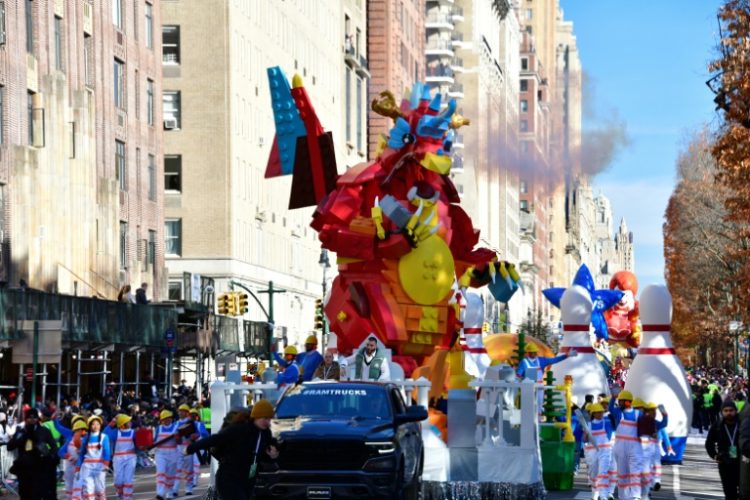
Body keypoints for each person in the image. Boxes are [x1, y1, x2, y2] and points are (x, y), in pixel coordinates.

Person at [187, 399, 279, 500]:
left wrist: (272, 456)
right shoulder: (239, 429)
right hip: (229, 478)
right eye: (264, 418)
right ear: (256, 416)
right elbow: (215, 439)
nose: (267, 422)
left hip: (248, 479)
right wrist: (191, 448)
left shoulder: (265, 433)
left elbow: (260, 455)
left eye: (269, 419)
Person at [8, 408, 59, 499]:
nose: (32, 420)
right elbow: (10, 446)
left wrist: (47, 455)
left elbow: (54, 447)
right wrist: (20, 438)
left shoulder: (43, 431)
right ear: (26, 419)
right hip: (24, 468)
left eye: (34, 417)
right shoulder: (21, 431)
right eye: (29, 417)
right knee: (24, 494)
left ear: (37, 419)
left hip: (39, 467)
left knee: (37, 494)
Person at [609, 390, 644, 500]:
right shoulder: (618, 413)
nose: (619, 404)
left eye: (621, 401)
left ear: (628, 402)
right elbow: (610, 408)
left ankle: (635, 496)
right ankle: (623, 497)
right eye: (619, 401)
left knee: (634, 472)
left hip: (635, 447)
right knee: (622, 475)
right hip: (620, 448)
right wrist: (613, 397)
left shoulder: (639, 414)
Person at [707, 400, 740, 500]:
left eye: (731, 410)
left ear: (736, 411)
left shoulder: (742, 424)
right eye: (726, 411)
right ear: (722, 412)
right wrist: (715, 455)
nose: (729, 413)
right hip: (725, 463)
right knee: (729, 493)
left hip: (742, 463)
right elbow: (709, 442)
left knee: (745, 492)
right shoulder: (717, 426)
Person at [77, 415, 112, 500]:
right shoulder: (86, 438)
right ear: (90, 426)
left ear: (100, 425)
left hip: (100, 467)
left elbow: (107, 452)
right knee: (88, 491)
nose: (96, 426)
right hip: (87, 467)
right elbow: (81, 454)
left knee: (100, 490)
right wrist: (78, 468)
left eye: (97, 424)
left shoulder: (104, 437)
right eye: (93, 424)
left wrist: (106, 464)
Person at [583, 403, 613, 500]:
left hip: (604, 451)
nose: (600, 414)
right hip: (592, 453)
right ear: (593, 414)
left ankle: (603, 495)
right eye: (598, 412)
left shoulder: (607, 422)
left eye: (601, 412)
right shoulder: (588, 425)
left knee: (602, 473)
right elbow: (585, 440)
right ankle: (594, 494)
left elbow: (608, 436)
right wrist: (586, 434)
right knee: (593, 474)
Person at [172, 404, 199, 496]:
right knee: (177, 469)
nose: (180, 413)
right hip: (178, 448)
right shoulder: (175, 423)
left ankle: (188, 488)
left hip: (188, 447)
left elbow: (197, 434)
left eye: (183, 411)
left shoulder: (191, 423)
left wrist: (193, 436)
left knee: (189, 469)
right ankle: (175, 489)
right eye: (180, 411)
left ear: (187, 413)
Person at [154, 410, 180, 500]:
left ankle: (170, 493)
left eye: (168, 418)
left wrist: (177, 438)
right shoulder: (158, 429)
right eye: (165, 418)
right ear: (161, 420)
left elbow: (179, 442)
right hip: (160, 454)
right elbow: (153, 441)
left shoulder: (176, 428)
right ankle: (160, 493)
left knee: (170, 475)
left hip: (173, 453)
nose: (167, 420)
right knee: (161, 473)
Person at [59, 419, 87, 500]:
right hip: (70, 469)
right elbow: (60, 452)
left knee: (84, 489)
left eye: (82, 430)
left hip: (82, 468)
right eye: (78, 430)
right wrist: (69, 457)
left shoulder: (88, 439)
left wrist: (82, 452)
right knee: (69, 489)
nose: (81, 432)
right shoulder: (69, 440)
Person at [113, 414, 137, 500]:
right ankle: (120, 493)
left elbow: (139, 444)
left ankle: (128, 498)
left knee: (128, 480)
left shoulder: (133, 432)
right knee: (118, 481)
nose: (130, 422)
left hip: (131, 457)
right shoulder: (116, 433)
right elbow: (105, 432)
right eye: (128, 421)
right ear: (123, 424)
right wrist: (113, 421)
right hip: (118, 458)